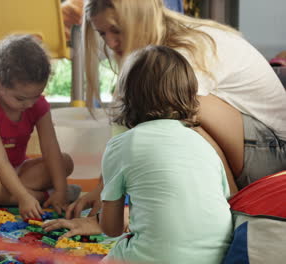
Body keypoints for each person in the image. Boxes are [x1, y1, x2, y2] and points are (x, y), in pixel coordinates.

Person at [64, 0, 286, 219]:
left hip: (273, 156)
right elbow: (123, 122)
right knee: (159, 107)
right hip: (250, 146)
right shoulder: (157, 47)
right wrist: (104, 190)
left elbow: (164, 132)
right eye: (102, 34)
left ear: (139, 20)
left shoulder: (183, 49)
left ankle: (229, 209)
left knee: (169, 109)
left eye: (116, 31)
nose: (110, 43)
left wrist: (118, 214)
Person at [49, 45, 233, 263]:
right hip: (218, 256)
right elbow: (221, 204)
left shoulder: (122, 145)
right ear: (189, 95)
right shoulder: (205, 146)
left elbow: (112, 229)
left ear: (128, 98)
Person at [0, 34, 81, 219]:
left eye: (37, 95)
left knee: (65, 162)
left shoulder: (37, 105)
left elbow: (50, 148)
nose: (30, 104)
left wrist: (61, 190)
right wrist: (23, 197)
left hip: (19, 170)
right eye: (21, 98)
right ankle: (40, 196)